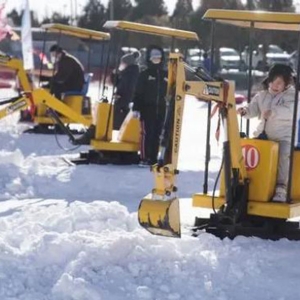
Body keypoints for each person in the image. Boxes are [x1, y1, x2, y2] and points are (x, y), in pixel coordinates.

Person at [237, 64, 295, 202]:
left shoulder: (293, 95)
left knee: (283, 156)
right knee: (252, 156)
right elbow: (253, 109)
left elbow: (291, 111)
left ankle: (281, 188)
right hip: (263, 135)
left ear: (286, 83)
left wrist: (274, 112)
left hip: (282, 136)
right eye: (272, 81)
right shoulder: (262, 95)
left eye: (279, 83)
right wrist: (245, 111)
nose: (275, 85)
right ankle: (252, 185)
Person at [132, 45, 168, 166]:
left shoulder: (166, 75)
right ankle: (145, 157)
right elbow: (138, 92)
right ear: (149, 59)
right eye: (154, 58)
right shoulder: (145, 74)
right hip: (147, 109)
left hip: (161, 109)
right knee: (147, 133)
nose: (156, 60)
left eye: (158, 58)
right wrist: (136, 108)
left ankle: (153, 158)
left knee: (157, 134)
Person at [112, 51, 140, 129]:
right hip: (122, 99)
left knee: (118, 117)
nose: (121, 64)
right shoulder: (126, 73)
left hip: (124, 101)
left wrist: (120, 96)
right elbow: (118, 84)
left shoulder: (130, 74)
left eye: (122, 63)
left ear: (127, 64)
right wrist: (115, 75)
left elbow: (128, 89)